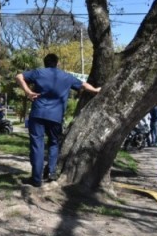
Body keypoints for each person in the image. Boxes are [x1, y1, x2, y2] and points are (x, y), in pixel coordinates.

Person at [16, 54, 100, 187]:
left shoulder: (39, 72)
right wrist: (95, 90)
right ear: (57, 63)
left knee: (37, 145)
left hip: (38, 114)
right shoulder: (66, 76)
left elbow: (19, 76)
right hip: (56, 117)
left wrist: (28, 91)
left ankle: (36, 179)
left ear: (45, 63)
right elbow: (84, 85)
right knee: (54, 143)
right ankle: (51, 173)